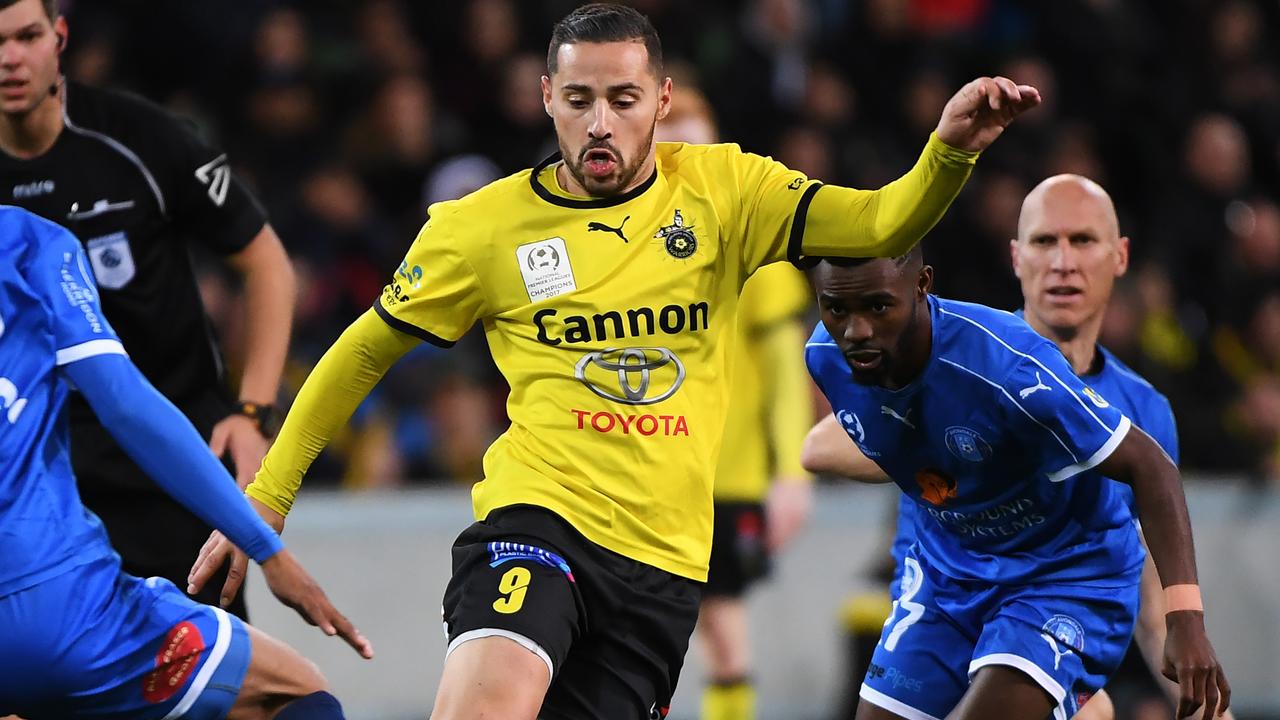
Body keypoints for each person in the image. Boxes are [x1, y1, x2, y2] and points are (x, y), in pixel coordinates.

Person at [190, 4, 1040, 718]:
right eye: (582, 98)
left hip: (663, 566)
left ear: (662, 99)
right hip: (538, 520)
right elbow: (362, 351)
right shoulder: (479, 228)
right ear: (547, 97)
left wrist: (949, 151)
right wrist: (267, 498)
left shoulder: (725, 192)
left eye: (625, 98)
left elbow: (879, 224)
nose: (602, 122)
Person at [804, 174, 1240, 720]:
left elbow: (1152, 591)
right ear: (1015, 257)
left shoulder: (1134, 409)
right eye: (1043, 241)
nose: (1062, 262)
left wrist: (1194, 666)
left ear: (1120, 257)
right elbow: (820, 447)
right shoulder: (910, 352)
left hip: (1052, 598)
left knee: (1093, 714)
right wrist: (953, 459)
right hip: (948, 591)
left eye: (1082, 241)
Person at [0, 206, 370, 720]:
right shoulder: (25, 243)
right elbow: (127, 404)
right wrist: (267, 550)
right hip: (59, 608)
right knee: (292, 692)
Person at [0, 0, 295, 617]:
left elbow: (265, 263)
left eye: (26, 36)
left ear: (59, 37)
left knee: (215, 694)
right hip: (37, 481)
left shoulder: (141, 137)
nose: (9, 59)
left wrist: (252, 411)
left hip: (172, 460)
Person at [655, 84, 815, 720]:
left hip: (726, 477)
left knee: (720, 627)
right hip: (646, 474)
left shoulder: (759, 262)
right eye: (670, 154)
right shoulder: (625, 260)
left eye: (696, 152)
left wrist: (792, 476)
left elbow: (785, 377)